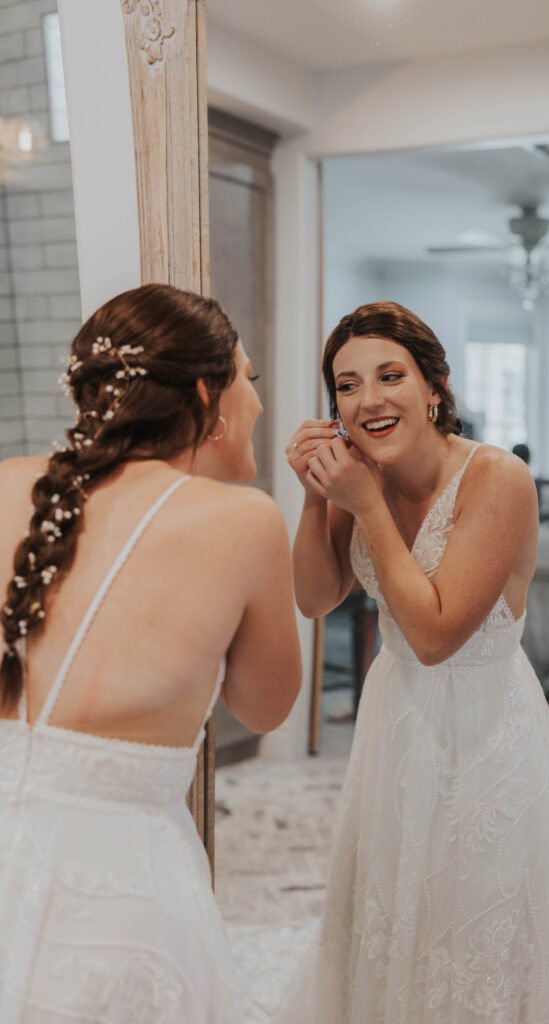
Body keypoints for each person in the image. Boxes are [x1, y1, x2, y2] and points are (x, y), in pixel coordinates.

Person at [0, 284, 301, 1023]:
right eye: (249, 380)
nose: (258, 404)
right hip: (125, 895)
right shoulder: (242, 521)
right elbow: (264, 708)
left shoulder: (7, 483)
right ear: (208, 394)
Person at [280, 301, 549, 1023]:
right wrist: (317, 501)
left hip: (484, 734)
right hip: (397, 721)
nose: (369, 399)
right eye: (346, 385)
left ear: (434, 386)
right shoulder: (360, 476)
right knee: (390, 911)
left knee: (470, 917)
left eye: (389, 375)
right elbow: (316, 598)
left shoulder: (495, 478)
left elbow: (435, 636)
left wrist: (366, 507)